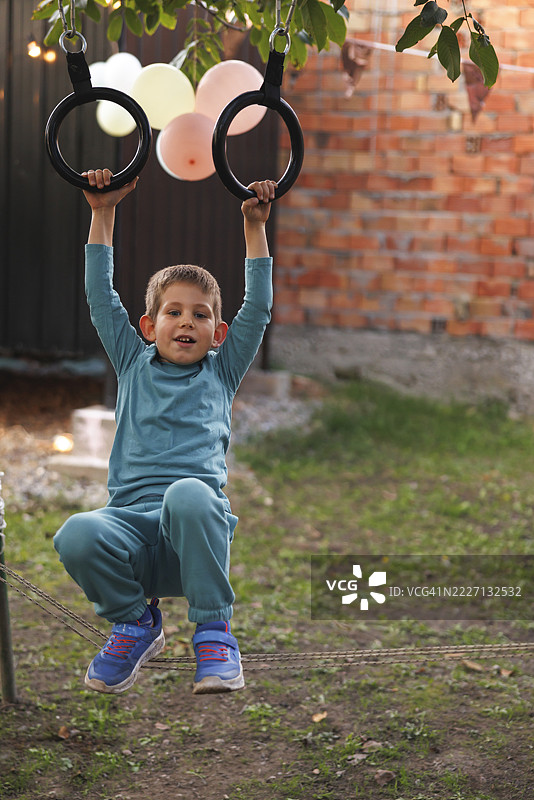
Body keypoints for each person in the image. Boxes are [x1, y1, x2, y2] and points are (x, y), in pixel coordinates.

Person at [54, 168, 276, 696]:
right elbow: (98, 293)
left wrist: (255, 226)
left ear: (217, 333)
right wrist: (102, 212)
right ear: (148, 326)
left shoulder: (222, 370)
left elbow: (260, 307)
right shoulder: (133, 362)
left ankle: (214, 633)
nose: (186, 321)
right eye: (173, 311)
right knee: (76, 533)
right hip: (132, 535)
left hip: (193, 540)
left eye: (200, 315)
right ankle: (134, 622)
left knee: (188, 493)